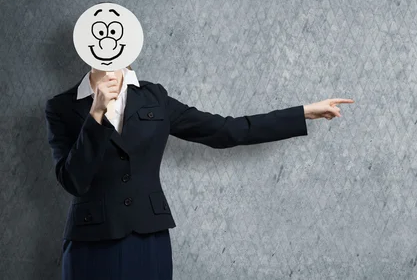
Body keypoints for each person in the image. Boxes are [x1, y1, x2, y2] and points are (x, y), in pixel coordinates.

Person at [45, 65, 354, 280]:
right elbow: (73, 179)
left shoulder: (155, 98)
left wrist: (302, 112)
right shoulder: (60, 107)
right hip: (91, 238)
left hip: (147, 237)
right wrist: (97, 114)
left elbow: (226, 130)